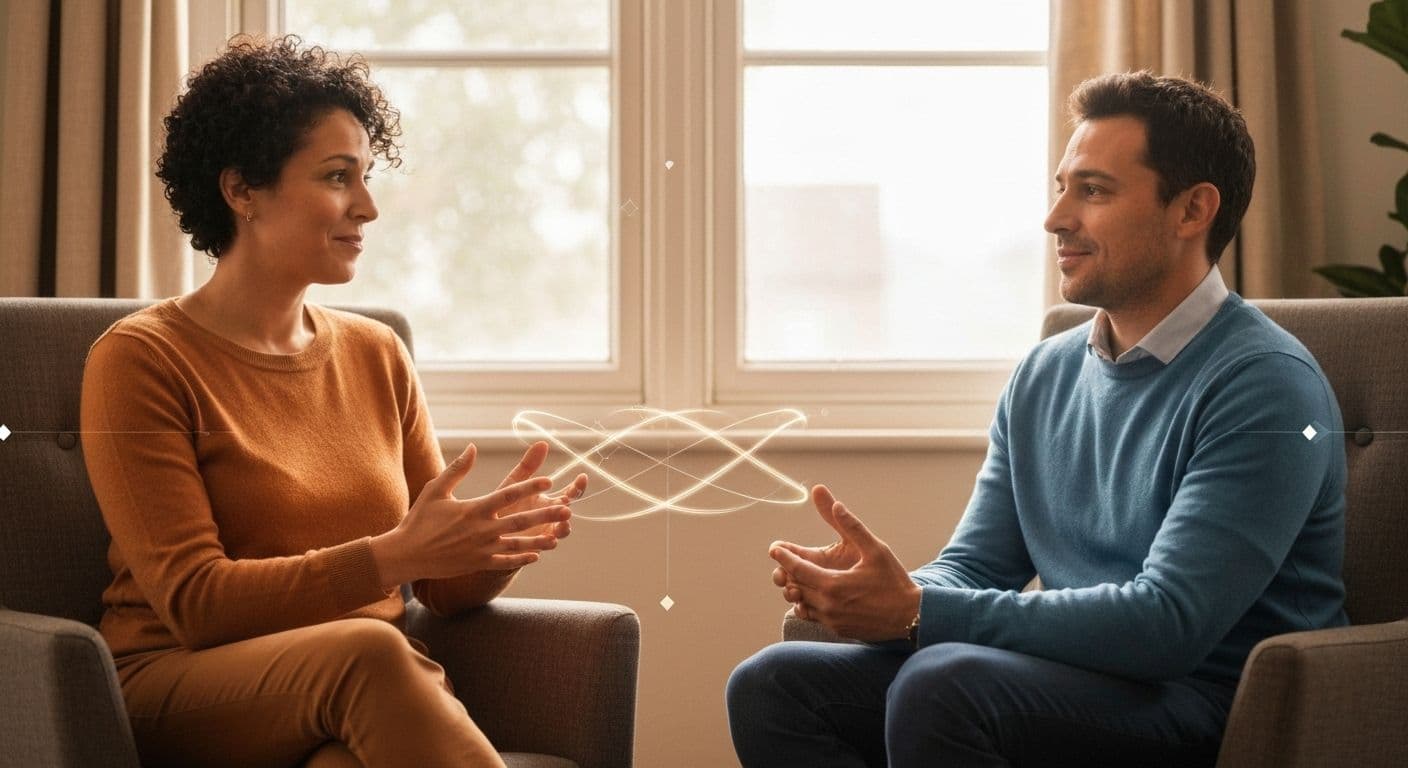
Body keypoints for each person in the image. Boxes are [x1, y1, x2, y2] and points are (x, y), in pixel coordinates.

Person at [726, 71, 1348, 767]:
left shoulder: (1264, 384)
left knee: (943, 686)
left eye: (1094, 190)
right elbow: (979, 565)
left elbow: (1168, 624)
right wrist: (882, 590)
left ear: (1192, 210)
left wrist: (914, 613)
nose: (1057, 220)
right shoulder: (1045, 373)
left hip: (1212, 703)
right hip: (1082, 684)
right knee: (771, 685)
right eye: (1062, 188)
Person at [80, 35, 586, 768]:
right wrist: (390, 557)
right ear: (241, 191)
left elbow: (440, 587)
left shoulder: (376, 353)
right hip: (178, 681)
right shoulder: (142, 358)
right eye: (337, 176)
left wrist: (491, 545)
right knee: (371, 652)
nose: (370, 208)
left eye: (367, 176)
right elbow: (196, 602)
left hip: (344, 688)